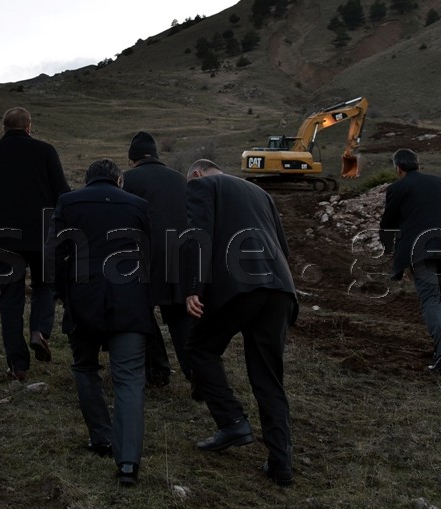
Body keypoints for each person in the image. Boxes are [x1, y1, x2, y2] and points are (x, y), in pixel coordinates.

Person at [183, 158, 298, 487]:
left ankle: (232, 421)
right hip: (279, 287)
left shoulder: (201, 186)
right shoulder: (260, 192)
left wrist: (193, 287)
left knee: (200, 348)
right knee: (268, 378)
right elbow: (283, 246)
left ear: (196, 173)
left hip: (240, 285)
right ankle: (281, 465)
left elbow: (197, 234)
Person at [48, 158, 154, 487]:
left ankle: (101, 437)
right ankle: (127, 464)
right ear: (119, 181)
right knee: (129, 379)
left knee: (84, 367)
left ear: (88, 179)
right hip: (130, 301)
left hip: (84, 299)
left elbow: (54, 254)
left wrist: (64, 294)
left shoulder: (68, 202)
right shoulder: (139, 205)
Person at [0, 107, 70, 381]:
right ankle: (39, 332)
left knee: (10, 299)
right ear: (29, 127)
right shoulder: (46, 152)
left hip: (4, 238)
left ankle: (18, 364)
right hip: (43, 235)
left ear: (3, 128)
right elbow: (62, 194)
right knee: (45, 286)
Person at [379, 148, 441, 374]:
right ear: (419, 164)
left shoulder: (397, 188)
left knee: (431, 297)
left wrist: (390, 246)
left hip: (420, 248)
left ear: (398, 168)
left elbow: (388, 223)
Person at [121, 131, 193, 387]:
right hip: (182, 255)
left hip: (145, 257)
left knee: (142, 312)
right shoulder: (180, 180)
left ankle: (158, 372)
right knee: (180, 316)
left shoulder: (126, 180)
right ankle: (197, 374)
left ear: (133, 159)